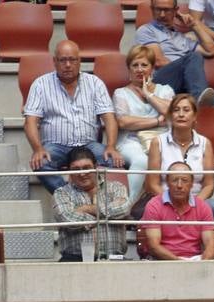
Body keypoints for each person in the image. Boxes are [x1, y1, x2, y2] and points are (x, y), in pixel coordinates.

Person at [23, 40, 124, 195]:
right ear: (54, 62)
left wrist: (111, 146)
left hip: (88, 146)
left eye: (72, 60)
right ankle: (70, 197)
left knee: (115, 162)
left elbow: (109, 118)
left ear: (80, 61)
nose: (68, 64)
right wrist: (37, 149)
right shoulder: (40, 84)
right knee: (40, 163)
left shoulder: (94, 83)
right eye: (63, 60)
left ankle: (103, 200)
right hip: (56, 146)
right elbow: (30, 121)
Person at [134, 0, 214, 107]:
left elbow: (213, 50)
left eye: (167, 10)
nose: (162, 14)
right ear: (152, 9)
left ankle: (197, 98)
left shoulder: (181, 37)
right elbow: (159, 62)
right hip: (158, 82)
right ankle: (197, 96)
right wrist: (186, 74)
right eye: (158, 9)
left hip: (182, 83)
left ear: (176, 11)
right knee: (193, 57)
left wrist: (194, 25)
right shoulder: (146, 30)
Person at [113, 46, 176, 203]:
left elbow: (171, 111)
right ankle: (126, 206)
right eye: (135, 65)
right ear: (129, 69)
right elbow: (124, 122)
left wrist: (149, 95)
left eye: (144, 65)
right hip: (130, 141)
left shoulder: (165, 90)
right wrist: (156, 121)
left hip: (161, 141)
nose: (139, 69)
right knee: (141, 160)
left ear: (152, 68)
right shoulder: (121, 93)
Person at [52, 147, 131, 261]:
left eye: (86, 168)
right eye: (76, 169)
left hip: (114, 258)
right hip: (74, 258)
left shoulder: (116, 187)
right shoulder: (61, 193)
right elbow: (66, 218)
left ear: (96, 167)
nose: (82, 173)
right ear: (69, 170)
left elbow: (124, 209)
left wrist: (86, 209)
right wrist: (103, 218)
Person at [146, 95, 214, 214]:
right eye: (176, 110)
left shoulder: (205, 143)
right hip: (166, 200)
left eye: (186, 110)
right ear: (170, 116)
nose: (181, 114)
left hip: (196, 200)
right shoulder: (157, 142)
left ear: (195, 116)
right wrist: (171, 202)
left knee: (213, 206)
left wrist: (193, 205)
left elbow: (209, 185)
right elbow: (152, 184)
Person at [142, 161, 214, 259]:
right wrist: (180, 265)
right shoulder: (154, 205)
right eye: (174, 180)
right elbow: (154, 246)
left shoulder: (202, 206)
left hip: (195, 260)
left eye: (185, 180)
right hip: (164, 260)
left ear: (191, 184)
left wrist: (203, 265)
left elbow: (210, 245)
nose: (179, 185)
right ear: (167, 182)